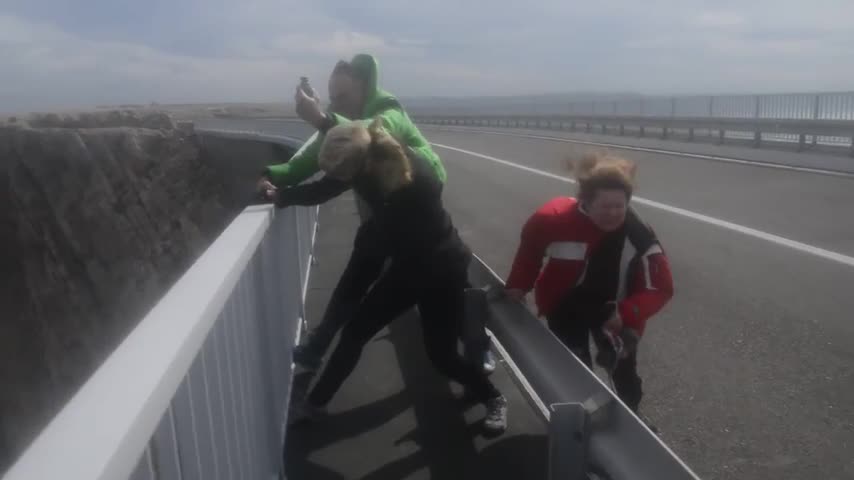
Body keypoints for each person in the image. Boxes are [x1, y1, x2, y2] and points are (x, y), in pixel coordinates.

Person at [258, 54, 495, 374]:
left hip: (418, 202)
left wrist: (322, 120)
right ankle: (319, 344)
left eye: (343, 96)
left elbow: (371, 136)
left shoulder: (388, 111)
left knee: (445, 269)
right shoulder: (341, 123)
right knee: (360, 267)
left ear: (364, 87)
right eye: (332, 98)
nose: (337, 103)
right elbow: (307, 164)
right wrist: (269, 176)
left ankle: (478, 346)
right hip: (385, 212)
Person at [271, 120, 508, 433]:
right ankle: (313, 405)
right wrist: (279, 196)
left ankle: (494, 399)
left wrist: (347, 297)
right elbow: (326, 188)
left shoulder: (414, 182)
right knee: (355, 332)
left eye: (345, 175)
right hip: (408, 265)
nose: (341, 180)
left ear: (366, 165)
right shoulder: (366, 158)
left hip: (441, 270)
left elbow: (371, 255)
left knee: (442, 355)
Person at [504, 151, 674, 418]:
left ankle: (632, 416)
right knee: (574, 369)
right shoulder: (553, 219)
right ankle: (579, 420)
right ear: (584, 201)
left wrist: (628, 313)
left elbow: (661, 287)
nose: (614, 213)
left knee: (623, 369)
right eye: (605, 206)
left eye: (620, 205)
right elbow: (530, 253)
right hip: (565, 305)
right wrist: (518, 285)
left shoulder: (639, 234)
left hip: (616, 308)